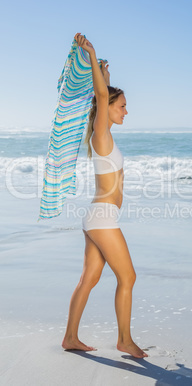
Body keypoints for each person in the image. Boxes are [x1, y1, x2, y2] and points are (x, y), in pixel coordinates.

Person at [62, 33, 148, 359]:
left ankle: (70, 337)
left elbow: (103, 93)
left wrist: (108, 78)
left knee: (89, 278)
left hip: (97, 217)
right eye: (122, 105)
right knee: (128, 276)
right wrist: (92, 53)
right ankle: (124, 340)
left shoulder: (105, 135)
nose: (126, 111)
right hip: (102, 218)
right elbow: (100, 95)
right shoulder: (100, 132)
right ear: (108, 108)